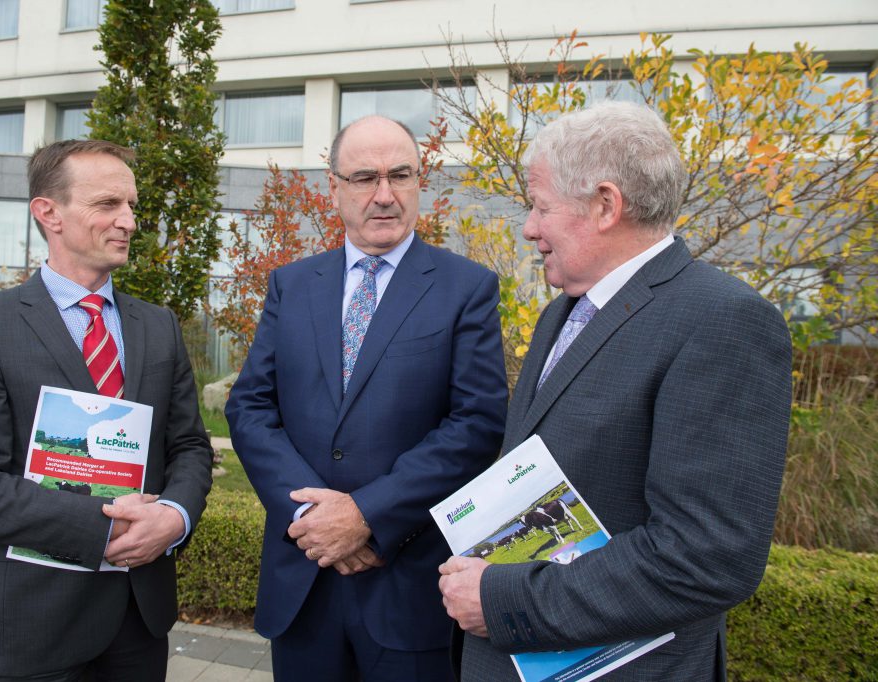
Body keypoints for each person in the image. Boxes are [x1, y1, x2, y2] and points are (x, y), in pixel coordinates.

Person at [439, 102, 792, 680]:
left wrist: (507, 599)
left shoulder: (725, 320)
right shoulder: (566, 312)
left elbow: (707, 557)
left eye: (541, 206)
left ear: (606, 205)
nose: (529, 227)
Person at [225, 115, 508, 681]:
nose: (384, 195)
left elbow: (475, 423)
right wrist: (313, 519)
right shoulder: (292, 284)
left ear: (419, 180)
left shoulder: (466, 289)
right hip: (304, 579)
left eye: (399, 175)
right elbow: (251, 408)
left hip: (407, 584)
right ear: (334, 188)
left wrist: (366, 516)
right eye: (363, 178)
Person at [0, 139, 214, 681]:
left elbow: (190, 447)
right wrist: (106, 528)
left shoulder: (158, 327)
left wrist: (172, 518)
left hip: (139, 620)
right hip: (34, 624)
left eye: (131, 205)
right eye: (108, 204)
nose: (128, 220)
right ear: (48, 212)